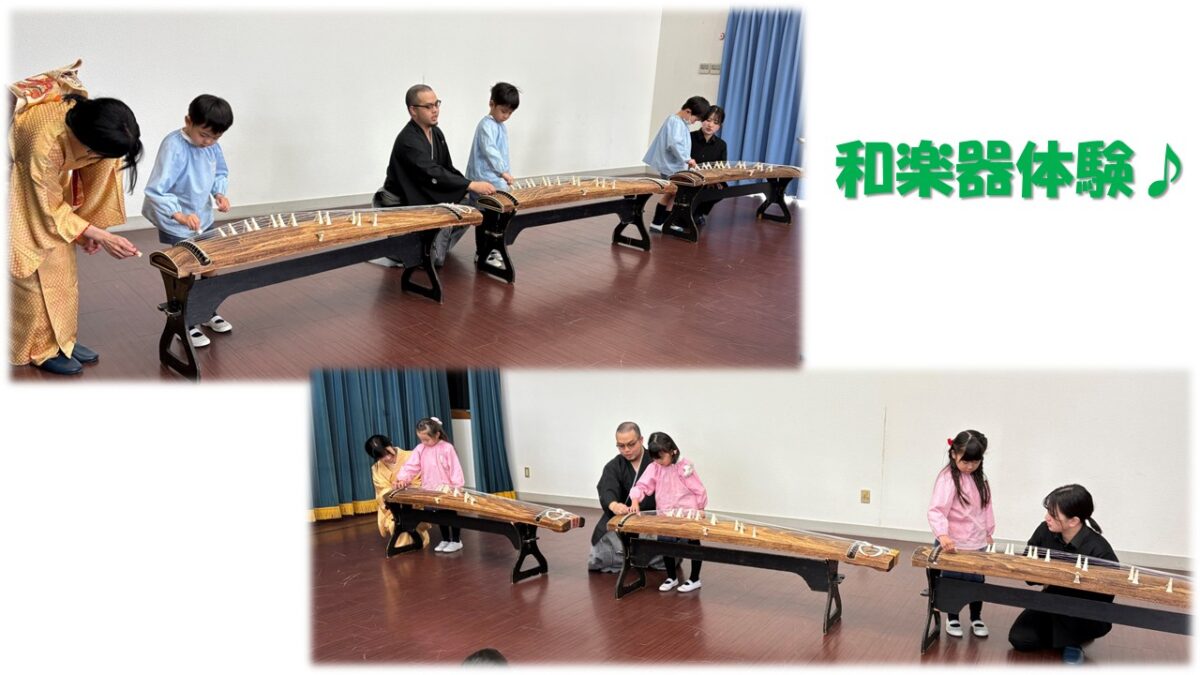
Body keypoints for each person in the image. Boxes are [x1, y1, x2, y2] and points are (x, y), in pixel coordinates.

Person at [9, 63, 142, 376]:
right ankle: (37, 348)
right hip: (19, 189)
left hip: (45, 190)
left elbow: (101, 174)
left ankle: (62, 341)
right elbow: (45, 209)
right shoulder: (43, 142)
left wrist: (88, 229)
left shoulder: (89, 119)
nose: (98, 159)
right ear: (86, 142)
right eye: (96, 152)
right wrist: (101, 236)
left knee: (63, 270)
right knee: (33, 274)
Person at [141, 94, 234, 348]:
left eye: (215, 138)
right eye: (204, 135)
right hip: (177, 219)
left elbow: (220, 171)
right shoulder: (173, 146)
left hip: (201, 215)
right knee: (186, 267)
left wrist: (219, 193)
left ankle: (208, 310)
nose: (209, 142)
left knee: (210, 263)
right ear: (188, 121)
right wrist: (179, 214)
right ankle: (187, 321)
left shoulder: (211, 145)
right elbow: (157, 189)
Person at [374, 84, 496, 267]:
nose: (435, 110)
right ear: (413, 110)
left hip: (423, 191)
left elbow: (447, 168)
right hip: (401, 201)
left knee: (469, 204)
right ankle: (425, 252)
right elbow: (431, 172)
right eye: (428, 106)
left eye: (436, 104)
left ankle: (435, 248)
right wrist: (469, 185)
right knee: (452, 211)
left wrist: (467, 185)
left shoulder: (436, 133)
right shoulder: (408, 140)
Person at [1008, 484, 1118, 665]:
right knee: (1020, 639)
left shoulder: (1099, 550)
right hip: (1051, 600)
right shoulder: (1045, 530)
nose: (1046, 518)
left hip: (1083, 611)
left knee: (1068, 620)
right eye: (1048, 512)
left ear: (1073, 521)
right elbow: (1028, 569)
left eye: (1053, 515)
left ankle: (1071, 641)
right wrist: (1046, 576)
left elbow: (1105, 598)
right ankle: (1063, 639)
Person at [927, 429, 995, 639]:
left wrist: (988, 531)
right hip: (953, 541)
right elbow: (937, 510)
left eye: (975, 462)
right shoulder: (947, 478)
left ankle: (976, 616)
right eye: (965, 461)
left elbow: (987, 507)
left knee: (976, 580)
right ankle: (953, 617)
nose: (970, 466)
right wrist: (942, 535)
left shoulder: (980, 478)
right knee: (953, 580)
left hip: (976, 540)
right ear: (953, 454)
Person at [629, 431, 708, 593]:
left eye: (661, 457)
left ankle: (695, 578)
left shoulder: (684, 466)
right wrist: (635, 499)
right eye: (655, 458)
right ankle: (671, 577)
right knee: (665, 544)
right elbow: (642, 485)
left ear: (672, 451)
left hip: (688, 513)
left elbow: (698, 489)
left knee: (692, 544)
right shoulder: (655, 467)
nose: (658, 461)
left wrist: (700, 508)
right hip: (665, 513)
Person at [587, 421, 659, 573]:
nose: (626, 450)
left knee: (667, 545)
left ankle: (633, 558)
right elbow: (607, 488)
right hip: (622, 519)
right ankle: (638, 558)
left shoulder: (657, 462)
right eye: (621, 446)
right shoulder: (614, 466)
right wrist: (614, 505)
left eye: (631, 444)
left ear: (641, 440)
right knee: (602, 552)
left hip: (652, 520)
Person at [466, 82, 519, 269]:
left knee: (498, 216)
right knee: (485, 217)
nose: (506, 116)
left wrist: (505, 172)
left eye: (510, 113)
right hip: (483, 179)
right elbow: (491, 151)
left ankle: (493, 249)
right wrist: (503, 171)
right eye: (503, 111)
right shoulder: (486, 125)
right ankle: (482, 252)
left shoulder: (500, 126)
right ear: (491, 104)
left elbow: (503, 153)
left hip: (496, 179)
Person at [393, 416, 466, 552]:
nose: (424, 442)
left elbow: (455, 468)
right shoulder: (420, 449)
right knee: (438, 515)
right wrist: (402, 479)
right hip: (430, 488)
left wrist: (457, 486)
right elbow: (411, 466)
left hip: (447, 489)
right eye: (421, 439)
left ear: (437, 434)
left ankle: (456, 540)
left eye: (427, 439)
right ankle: (445, 539)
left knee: (450, 514)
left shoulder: (447, 448)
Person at [642, 95, 710, 230]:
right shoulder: (675, 122)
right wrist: (687, 159)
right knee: (671, 192)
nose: (694, 122)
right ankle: (657, 223)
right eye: (695, 119)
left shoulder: (680, 122)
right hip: (670, 166)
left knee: (676, 194)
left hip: (674, 166)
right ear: (688, 111)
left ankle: (667, 222)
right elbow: (675, 144)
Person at [364, 433, 431, 547]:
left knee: (410, 520)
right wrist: (395, 489)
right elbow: (382, 491)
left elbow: (422, 479)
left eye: (387, 452)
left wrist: (407, 486)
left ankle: (412, 545)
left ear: (390, 444)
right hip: (393, 507)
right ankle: (408, 547)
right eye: (381, 457)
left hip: (415, 502)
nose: (387, 458)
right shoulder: (376, 469)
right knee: (395, 523)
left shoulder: (411, 456)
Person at [687, 105, 728, 228]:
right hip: (689, 177)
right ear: (702, 120)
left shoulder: (721, 145)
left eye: (715, 122)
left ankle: (698, 213)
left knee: (722, 189)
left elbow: (721, 167)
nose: (710, 125)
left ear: (719, 126)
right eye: (708, 120)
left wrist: (713, 179)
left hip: (709, 180)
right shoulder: (689, 137)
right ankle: (687, 213)